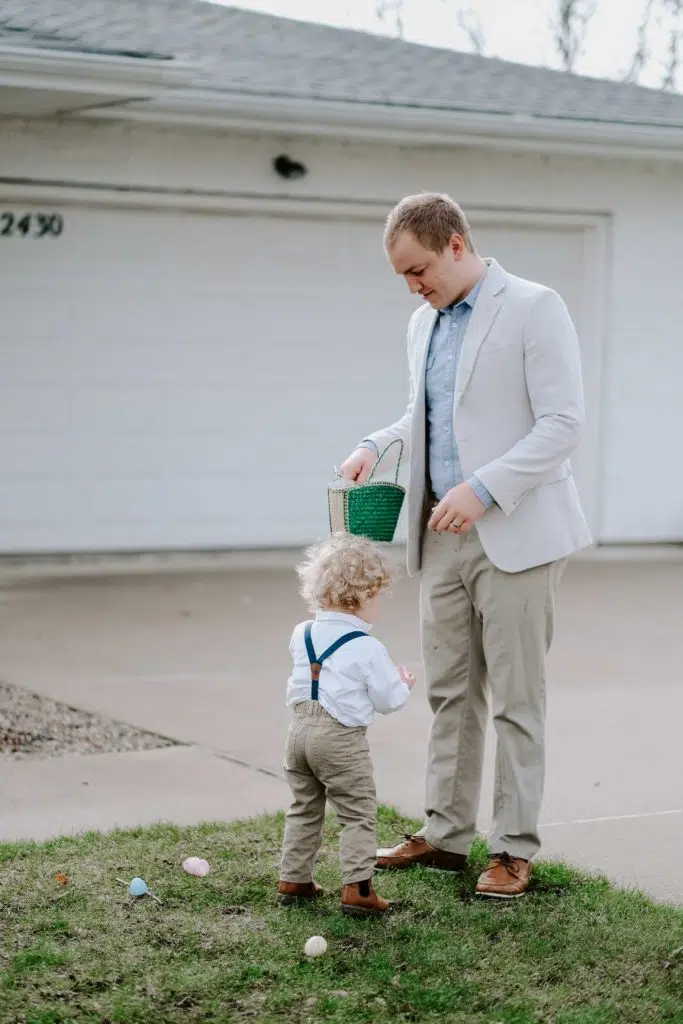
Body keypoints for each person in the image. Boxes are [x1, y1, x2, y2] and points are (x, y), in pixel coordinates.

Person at [339, 193, 591, 899]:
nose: (411, 286)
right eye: (401, 276)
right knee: (450, 693)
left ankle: (512, 849)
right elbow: (427, 413)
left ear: (454, 244)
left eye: (417, 269)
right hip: (439, 536)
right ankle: (446, 835)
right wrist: (376, 442)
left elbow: (563, 423)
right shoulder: (422, 323)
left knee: (515, 699)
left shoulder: (535, 307)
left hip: (517, 530)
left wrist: (482, 487)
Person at [278, 533, 415, 916]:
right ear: (362, 596)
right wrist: (402, 684)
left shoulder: (301, 633)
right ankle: (358, 889)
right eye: (378, 596)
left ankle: (294, 879)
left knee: (304, 806)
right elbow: (387, 700)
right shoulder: (367, 646)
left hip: (299, 732)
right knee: (357, 811)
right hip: (340, 739)